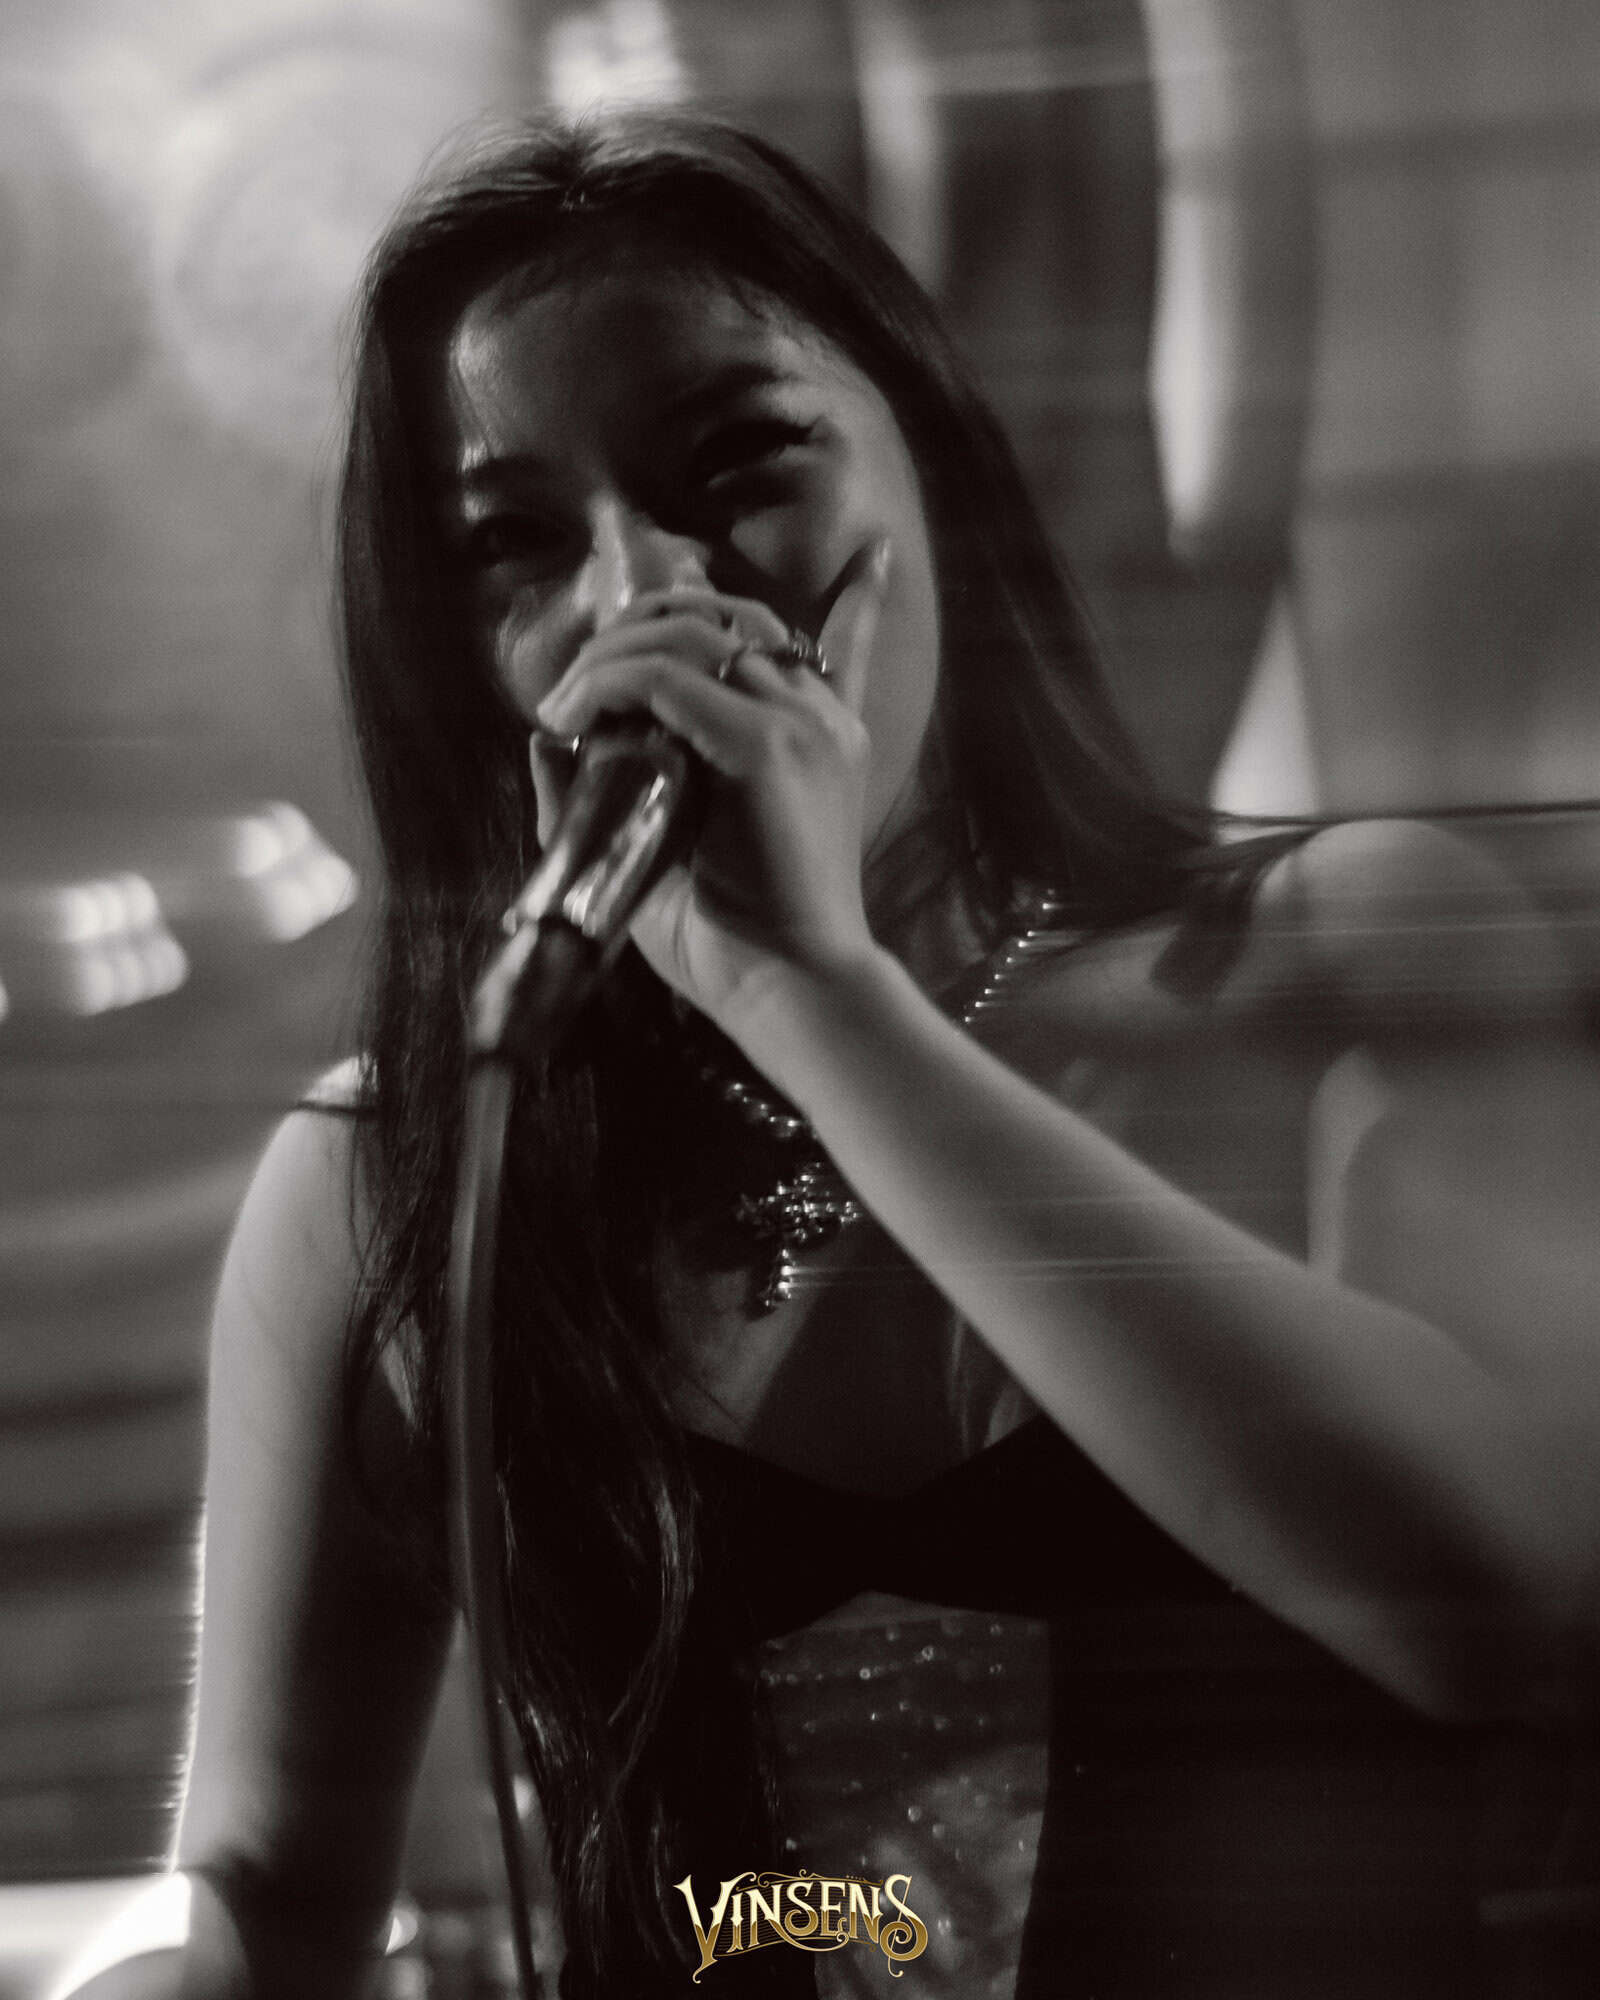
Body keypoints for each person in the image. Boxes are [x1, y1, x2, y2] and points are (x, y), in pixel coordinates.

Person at [170, 109, 1600, 1999]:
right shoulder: (395, 1179)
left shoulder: (1342, 952)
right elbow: (267, 1897)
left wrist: (811, 991)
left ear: (935, 481)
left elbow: (1512, 1612)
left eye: (736, 464)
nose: (644, 597)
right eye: (514, 544)